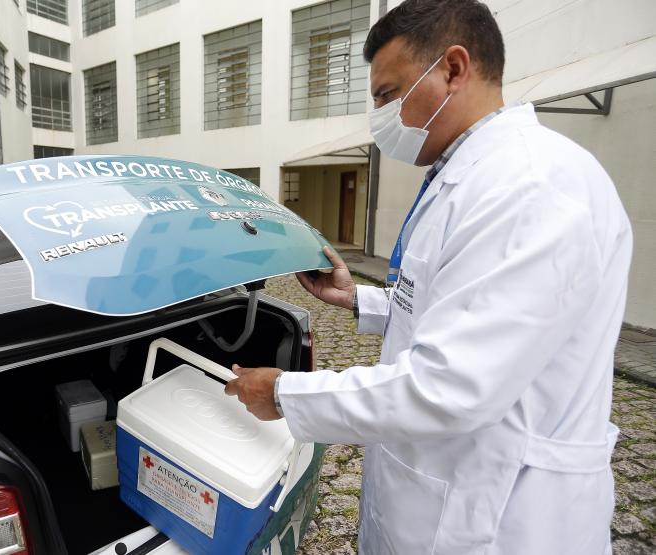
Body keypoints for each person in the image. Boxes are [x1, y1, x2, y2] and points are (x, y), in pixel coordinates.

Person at [224, 0, 633, 553]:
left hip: (503, 515)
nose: (380, 116)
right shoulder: (469, 175)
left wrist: (285, 393)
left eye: (388, 95)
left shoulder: (531, 187)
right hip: (439, 488)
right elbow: (453, 308)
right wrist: (360, 301)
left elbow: (452, 385)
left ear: (454, 69)